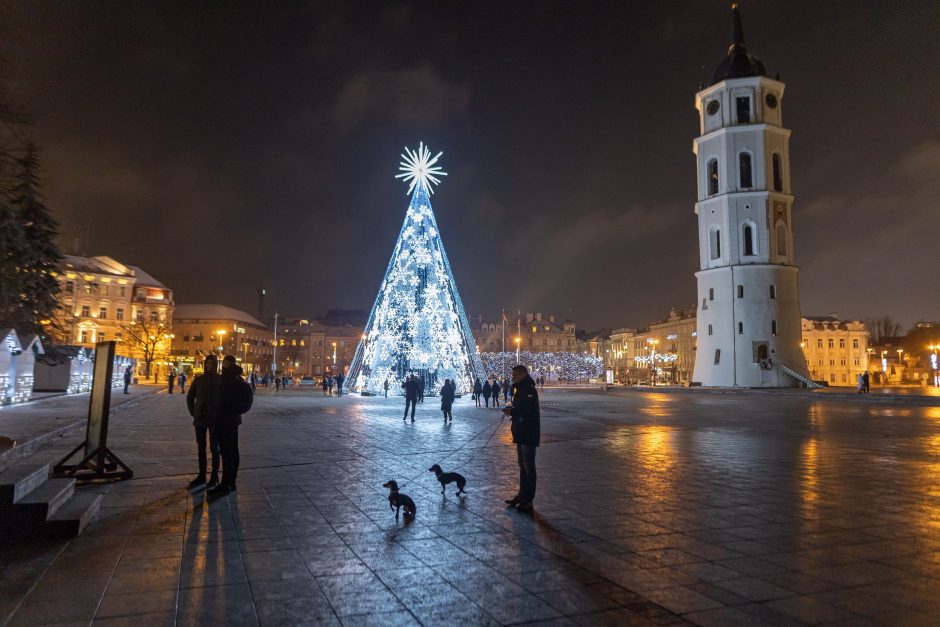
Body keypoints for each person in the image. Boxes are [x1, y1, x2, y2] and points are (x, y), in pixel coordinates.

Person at [208, 355, 251, 497]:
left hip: (224, 421)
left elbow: (222, 402)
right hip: (234, 421)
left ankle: (225, 484)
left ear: (227, 364)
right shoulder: (238, 378)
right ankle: (231, 482)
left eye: (224, 363)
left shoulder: (227, 379)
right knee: (233, 452)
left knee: (226, 453)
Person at [504, 364, 540, 513]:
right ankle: (522, 495)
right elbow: (521, 408)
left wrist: (513, 412)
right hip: (521, 433)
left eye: (516, 375)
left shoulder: (529, 390)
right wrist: (512, 410)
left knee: (528, 467)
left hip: (528, 433)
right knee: (522, 466)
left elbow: (527, 411)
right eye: (513, 375)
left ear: (523, 375)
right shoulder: (520, 389)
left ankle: (528, 500)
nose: (513, 378)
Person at [185, 355, 221, 490]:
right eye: (208, 363)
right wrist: (194, 411)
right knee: (201, 448)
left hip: (214, 419)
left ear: (215, 365)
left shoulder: (219, 380)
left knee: (214, 448)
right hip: (200, 419)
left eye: (212, 363)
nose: (209, 365)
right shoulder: (199, 380)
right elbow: (190, 397)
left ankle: (214, 476)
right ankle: (201, 475)